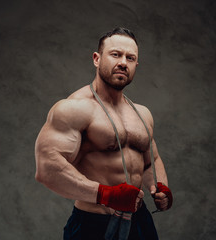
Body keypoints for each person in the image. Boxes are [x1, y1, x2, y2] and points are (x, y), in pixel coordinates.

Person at [35, 27, 173, 240]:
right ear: (97, 59)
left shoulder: (142, 114)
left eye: (130, 57)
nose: (123, 63)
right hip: (93, 224)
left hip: (139, 221)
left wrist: (160, 187)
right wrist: (107, 195)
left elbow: (150, 160)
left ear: (136, 64)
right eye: (115, 54)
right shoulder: (73, 109)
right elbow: (47, 169)